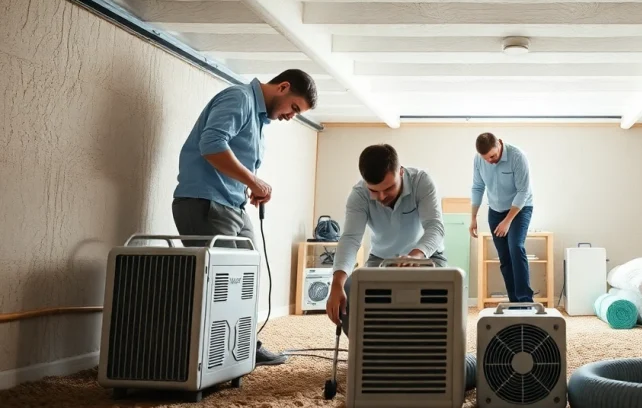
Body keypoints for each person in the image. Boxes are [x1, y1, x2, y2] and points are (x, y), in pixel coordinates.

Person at [171, 69, 317, 366]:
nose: (292, 116)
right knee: (222, 285)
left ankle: (244, 344)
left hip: (231, 206)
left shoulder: (259, 117)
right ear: (283, 87)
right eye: (294, 108)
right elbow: (211, 144)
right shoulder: (239, 97)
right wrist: (253, 181)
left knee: (245, 277)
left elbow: (231, 158)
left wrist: (250, 185)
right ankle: (211, 357)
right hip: (205, 203)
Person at [325, 144, 446, 334]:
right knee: (351, 293)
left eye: (388, 188)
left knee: (444, 294)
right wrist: (337, 283)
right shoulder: (358, 195)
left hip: (425, 256)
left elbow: (435, 227)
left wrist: (415, 256)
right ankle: (371, 354)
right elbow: (350, 239)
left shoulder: (422, 181)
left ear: (401, 172)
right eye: (374, 191)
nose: (381, 197)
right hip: (380, 259)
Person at [469, 133, 534, 303]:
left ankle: (525, 300)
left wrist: (507, 221)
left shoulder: (517, 157)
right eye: (486, 158)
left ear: (499, 144)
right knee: (504, 257)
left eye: (493, 156)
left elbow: (523, 191)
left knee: (515, 247)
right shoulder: (479, 160)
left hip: (520, 208)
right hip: (496, 210)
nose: (490, 161)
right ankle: (514, 301)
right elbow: (477, 187)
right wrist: (473, 217)